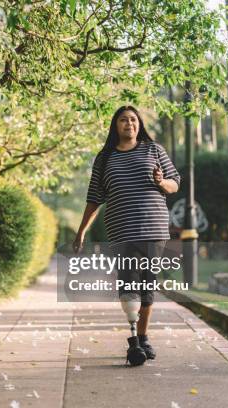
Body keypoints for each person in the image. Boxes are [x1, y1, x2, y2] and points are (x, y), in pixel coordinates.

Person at [73, 105, 180, 366]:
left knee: (147, 285)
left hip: (153, 228)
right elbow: (94, 198)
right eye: (123, 120)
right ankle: (135, 337)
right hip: (122, 231)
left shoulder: (154, 150)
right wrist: (81, 231)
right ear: (116, 125)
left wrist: (160, 182)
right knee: (129, 284)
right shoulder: (105, 157)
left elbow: (174, 182)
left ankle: (141, 338)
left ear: (139, 124)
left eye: (133, 120)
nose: (129, 124)